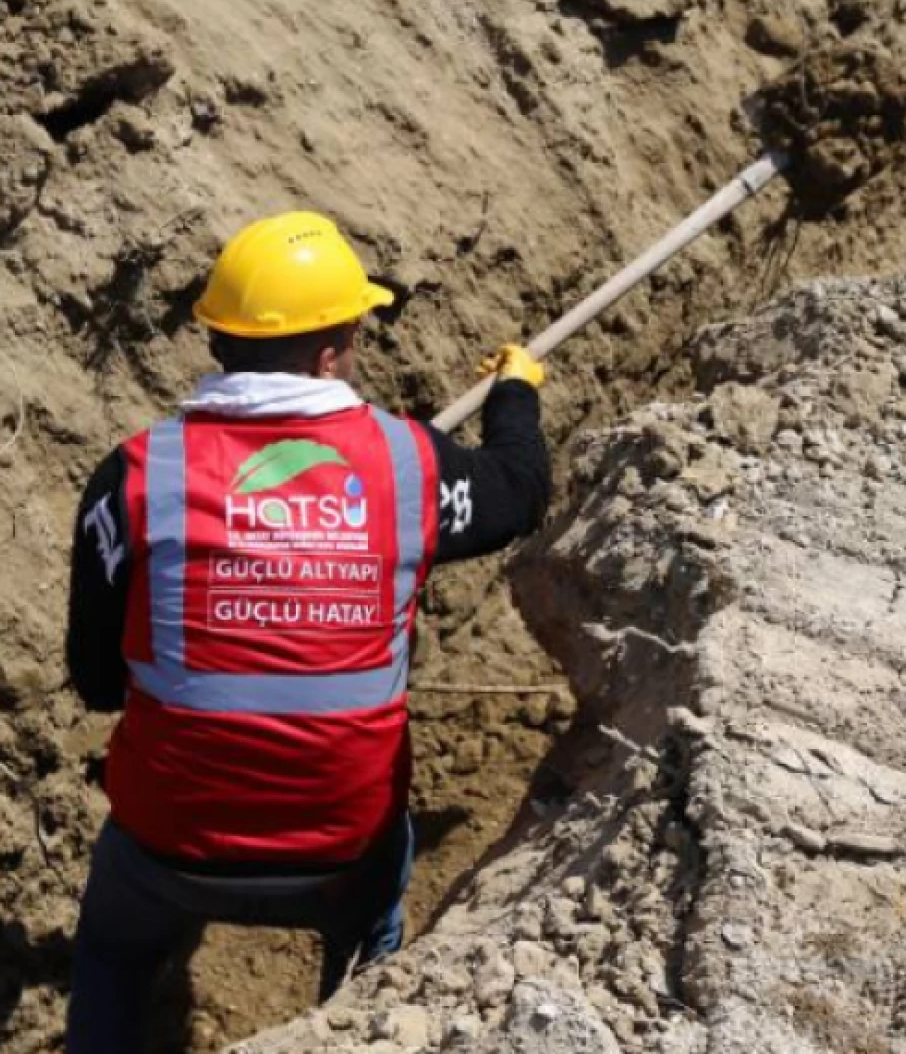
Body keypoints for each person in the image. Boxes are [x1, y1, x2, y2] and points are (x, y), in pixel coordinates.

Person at [64, 210, 551, 1053]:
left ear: (219, 338)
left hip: (164, 841)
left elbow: (98, 680)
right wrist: (515, 393)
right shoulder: (408, 465)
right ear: (333, 351)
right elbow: (517, 492)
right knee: (373, 933)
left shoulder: (138, 474)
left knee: (110, 953)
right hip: (342, 849)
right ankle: (358, 1015)